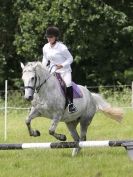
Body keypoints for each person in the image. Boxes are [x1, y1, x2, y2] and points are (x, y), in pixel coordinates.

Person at [42, 26, 77, 113]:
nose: (49, 39)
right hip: (53, 70)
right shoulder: (45, 47)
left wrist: (62, 65)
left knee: (68, 83)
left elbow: (70, 58)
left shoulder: (62, 47)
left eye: (51, 37)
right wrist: (43, 68)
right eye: (48, 37)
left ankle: (71, 105)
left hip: (65, 71)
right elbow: (45, 59)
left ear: (55, 37)